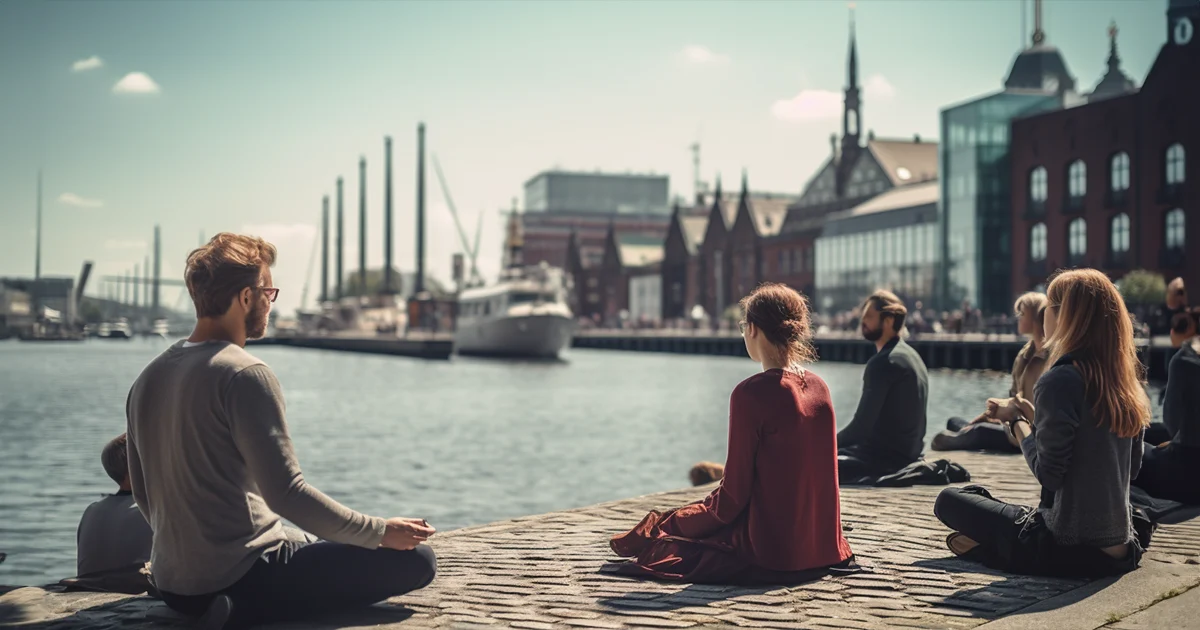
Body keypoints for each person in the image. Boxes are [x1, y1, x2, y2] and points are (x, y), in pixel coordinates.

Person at [126, 233, 436, 630]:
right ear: (245, 298)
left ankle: (231, 604)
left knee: (307, 542)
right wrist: (379, 530)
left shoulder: (147, 378)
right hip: (243, 579)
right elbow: (287, 494)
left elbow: (143, 493)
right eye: (268, 292)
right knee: (417, 561)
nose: (271, 303)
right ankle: (248, 611)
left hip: (174, 586)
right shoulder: (244, 373)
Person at [610, 283, 855, 584]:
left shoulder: (751, 393)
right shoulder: (820, 387)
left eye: (743, 326)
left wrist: (675, 522)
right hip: (823, 547)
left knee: (663, 542)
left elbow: (732, 499)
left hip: (774, 550)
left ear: (752, 329)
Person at [934, 269, 1149, 578]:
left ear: (1064, 316)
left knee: (951, 500)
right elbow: (1134, 468)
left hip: (1067, 543)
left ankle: (995, 549)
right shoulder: (1127, 381)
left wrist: (1018, 423)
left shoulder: (1060, 379)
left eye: (1049, 305)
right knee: (985, 501)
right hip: (1121, 546)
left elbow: (1049, 474)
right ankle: (995, 545)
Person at [932, 293, 1049, 453]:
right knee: (954, 422)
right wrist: (992, 414)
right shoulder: (1024, 354)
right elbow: (1014, 396)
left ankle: (961, 435)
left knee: (979, 431)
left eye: (1022, 314)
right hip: (1012, 422)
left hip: (1028, 432)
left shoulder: (1050, 356)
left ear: (1035, 316)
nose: (1018, 318)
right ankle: (964, 433)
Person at [837, 290, 929, 483]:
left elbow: (859, 429)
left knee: (812, 461)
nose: (863, 322)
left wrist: (823, 444)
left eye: (869, 317)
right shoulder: (912, 356)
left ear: (888, 320)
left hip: (884, 460)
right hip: (909, 455)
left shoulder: (882, 363)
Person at [1133, 309, 1200, 504]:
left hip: (1188, 472)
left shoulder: (1184, 360)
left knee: (1130, 450)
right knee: (1148, 432)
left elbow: (1173, 423)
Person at [75, 433, 153, 578]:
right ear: (136, 467)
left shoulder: (92, 510)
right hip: (135, 592)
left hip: (89, 589)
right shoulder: (152, 510)